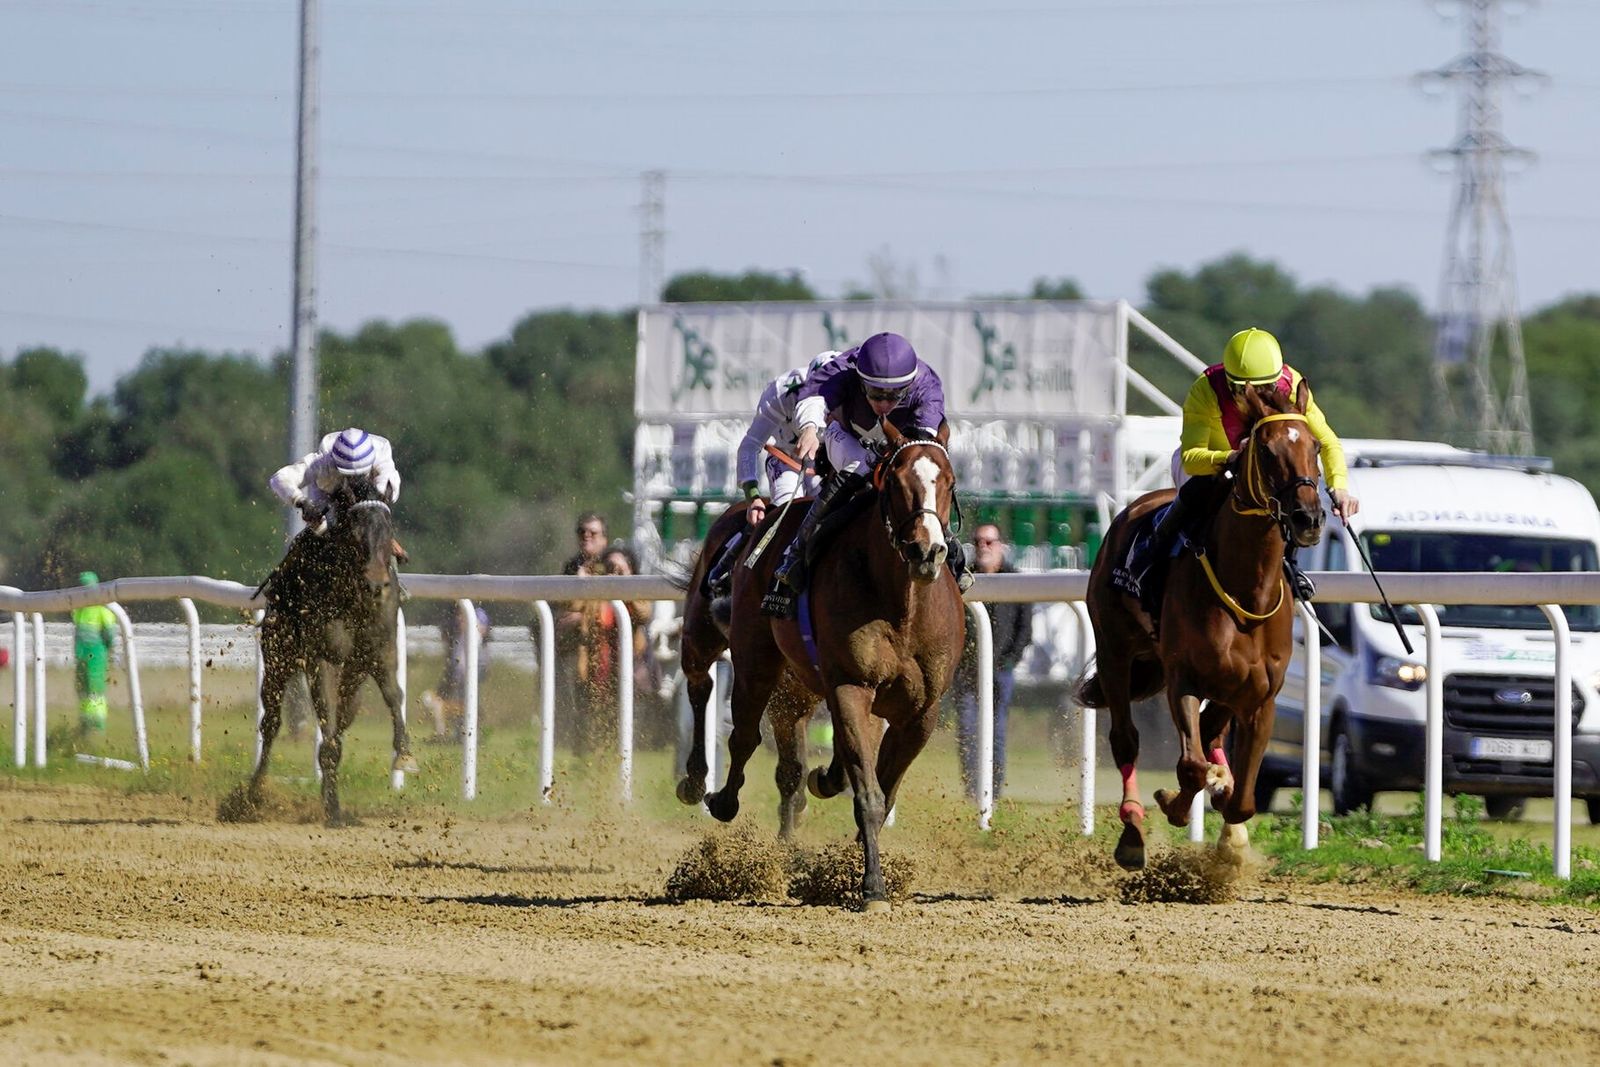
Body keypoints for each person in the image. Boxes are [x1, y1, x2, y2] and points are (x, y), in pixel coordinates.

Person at [1132, 326, 1359, 619]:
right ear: (1230, 381)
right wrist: (1233, 457)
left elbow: (1325, 441)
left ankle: (1290, 568)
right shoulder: (1206, 389)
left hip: (1260, 469)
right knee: (1199, 495)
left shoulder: (1293, 384)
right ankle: (1151, 559)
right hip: (1211, 463)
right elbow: (1192, 457)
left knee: (1285, 497)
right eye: (1244, 389)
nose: (1259, 396)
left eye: (1268, 387)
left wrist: (1339, 486)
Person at [762, 331, 972, 617]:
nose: (884, 404)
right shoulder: (843, 368)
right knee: (859, 466)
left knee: (921, 475)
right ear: (861, 380)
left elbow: (923, 443)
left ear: (909, 385)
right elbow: (813, 396)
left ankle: (950, 551)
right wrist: (811, 427)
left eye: (894, 396)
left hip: (900, 443)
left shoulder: (928, 384)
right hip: (847, 437)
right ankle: (794, 556)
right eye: (875, 394)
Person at [704, 350, 839, 614]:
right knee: (786, 516)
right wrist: (753, 496)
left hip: (829, 461)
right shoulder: (780, 392)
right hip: (786, 458)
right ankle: (729, 570)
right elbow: (749, 447)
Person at [266, 427, 408, 595]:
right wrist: (303, 503)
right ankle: (283, 592)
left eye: (358, 475)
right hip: (328, 498)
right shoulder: (322, 463)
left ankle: (395, 592)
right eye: (348, 475)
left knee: (376, 535)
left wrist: (383, 536)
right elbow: (279, 479)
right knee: (317, 532)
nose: (353, 481)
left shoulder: (382, 459)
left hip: (368, 505)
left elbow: (383, 500)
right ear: (335, 463)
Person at [953, 526, 1031, 800]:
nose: (983, 546)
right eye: (977, 541)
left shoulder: (1015, 579)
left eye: (989, 541)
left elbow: (1024, 630)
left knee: (995, 734)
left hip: (1001, 672)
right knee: (967, 731)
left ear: (1000, 545)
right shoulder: (963, 577)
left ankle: (993, 790)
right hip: (965, 672)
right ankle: (972, 790)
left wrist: (1009, 661)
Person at [427, 603, 491, 742]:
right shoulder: (460, 634)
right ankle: (460, 732)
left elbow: (481, 633)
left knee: (467, 702)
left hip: (470, 669)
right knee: (461, 702)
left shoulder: (476, 618)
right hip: (460, 670)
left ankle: (468, 732)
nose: (459, 620)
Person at [71, 571, 118, 736]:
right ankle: (85, 724)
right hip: (82, 655)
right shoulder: (79, 609)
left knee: (94, 689)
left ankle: (97, 726)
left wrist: (109, 652)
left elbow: (110, 635)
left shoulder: (102, 607)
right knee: (83, 689)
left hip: (96, 654)